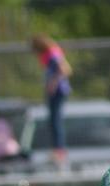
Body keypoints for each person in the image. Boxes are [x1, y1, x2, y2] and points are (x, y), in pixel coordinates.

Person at [31, 34, 72, 166]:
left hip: (57, 91)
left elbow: (64, 70)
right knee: (53, 121)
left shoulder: (53, 54)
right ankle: (57, 149)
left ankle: (59, 151)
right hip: (54, 91)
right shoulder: (49, 54)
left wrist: (53, 83)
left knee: (55, 121)